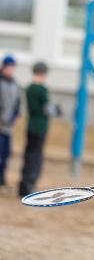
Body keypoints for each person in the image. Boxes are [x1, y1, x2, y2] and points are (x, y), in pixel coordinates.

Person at [18, 62, 61, 197]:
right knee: (36, 156)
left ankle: (23, 185)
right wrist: (57, 110)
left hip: (31, 125)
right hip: (40, 127)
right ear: (42, 73)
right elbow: (46, 109)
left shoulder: (29, 88)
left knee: (29, 154)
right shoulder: (41, 89)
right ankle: (29, 184)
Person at [0, 55, 21, 191]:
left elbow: (18, 104)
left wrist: (16, 115)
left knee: (6, 154)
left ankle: (2, 180)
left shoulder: (15, 84)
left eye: (12, 67)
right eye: (8, 67)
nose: (10, 70)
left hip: (8, 128)